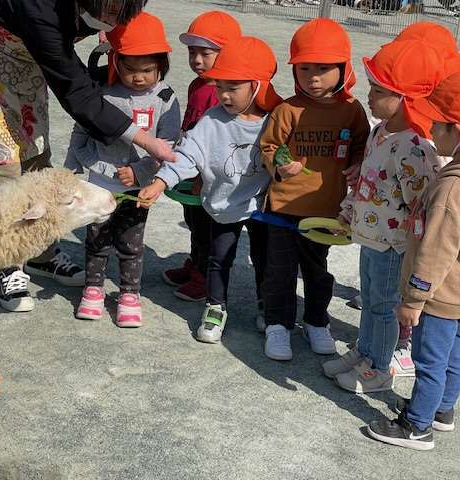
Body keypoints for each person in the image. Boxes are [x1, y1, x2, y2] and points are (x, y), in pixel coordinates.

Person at [0, 0, 175, 312]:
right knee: (4, 160)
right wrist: (145, 140)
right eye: (110, 11)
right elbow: (76, 90)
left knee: (36, 149)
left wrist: (112, 28)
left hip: (27, 52)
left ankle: (41, 251)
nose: (113, 19)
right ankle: (6, 261)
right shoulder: (39, 7)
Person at [139, 36, 282, 343]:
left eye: (233, 87)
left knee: (264, 258)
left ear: (257, 85)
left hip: (262, 206)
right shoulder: (212, 120)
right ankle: (215, 306)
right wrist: (162, 180)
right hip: (223, 203)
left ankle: (265, 303)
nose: (224, 95)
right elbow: (189, 153)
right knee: (218, 259)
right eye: (220, 87)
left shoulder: (275, 119)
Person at [322, 40, 445, 393]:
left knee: (385, 306)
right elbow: (368, 182)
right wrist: (350, 210)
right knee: (372, 299)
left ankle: (379, 368)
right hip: (370, 238)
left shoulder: (414, 146)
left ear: (403, 97)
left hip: (394, 246)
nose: (370, 96)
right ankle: (365, 351)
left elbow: (421, 204)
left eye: (378, 91)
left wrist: (415, 250)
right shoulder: (380, 131)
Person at [259, 18, 370, 361]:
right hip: (283, 208)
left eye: (323, 68)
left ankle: (317, 321)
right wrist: (278, 165)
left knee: (317, 270)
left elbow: (363, 147)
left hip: (324, 211)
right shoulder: (287, 109)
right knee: (279, 270)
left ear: (343, 68)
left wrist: (358, 164)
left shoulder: (351, 110)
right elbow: (268, 147)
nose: (313, 76)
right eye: (304, 68)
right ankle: (278, 324)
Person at [64, 12, 180, 327]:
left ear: (162, 65)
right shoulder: (102, 91)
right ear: (116, 62)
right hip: (99, 183)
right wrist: (72, 164)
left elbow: (168, 145)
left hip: (134, 190)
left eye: (148, 70)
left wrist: (141, 172)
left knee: (131, 244)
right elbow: (82, 128)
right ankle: (93, 289)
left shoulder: (166, 99)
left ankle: (129, 294)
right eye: (130, 69)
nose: (139, 77)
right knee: (96, 240)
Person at [366, 71, 460, 451]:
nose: (431, 130)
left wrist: (414, 299)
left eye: (437, 124)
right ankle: (442, 412)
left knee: (429, 360)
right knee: (453, 358)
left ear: (456, 130)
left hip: (438, 296)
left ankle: (416, 425)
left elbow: (437, 249)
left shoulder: (451, 187)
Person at [161, 11, 241, 303]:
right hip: (190, 170)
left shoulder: (225, 92)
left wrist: (205, 177)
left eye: (205, 53)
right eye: (192, 52)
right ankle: (195, 263)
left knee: (207, 226)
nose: (196, 60)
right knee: (193, 220)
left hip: (208, 176)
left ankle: (205, 278)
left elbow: (218, 141)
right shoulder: (198, 84)